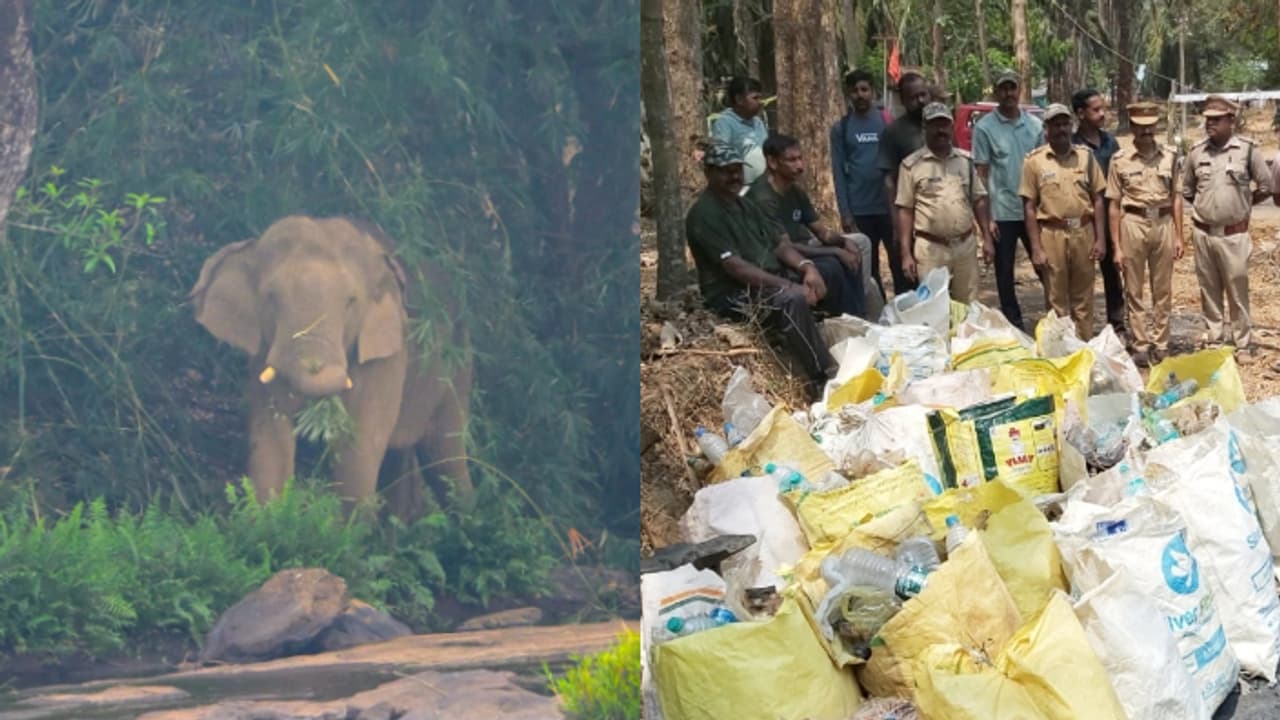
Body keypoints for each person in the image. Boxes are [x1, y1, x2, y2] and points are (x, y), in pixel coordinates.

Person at [685, 142, 863, 397]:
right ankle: (823, 375)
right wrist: (789, 285)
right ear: (709, 172)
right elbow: (736, 268)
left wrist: (807, 267)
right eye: (727, 171)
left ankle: (850, 342)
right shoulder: (705, 214)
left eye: (738, 170)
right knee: (791, 299)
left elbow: (780, 244)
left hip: (768, 275)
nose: (735, 176)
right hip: (733, 293)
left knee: (830, 270)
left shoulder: (745, 205)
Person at [1182, 94, 1273, 356]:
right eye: (1207, 119)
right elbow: (1188, 190)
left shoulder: (1247, 150)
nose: (1210, 124)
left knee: (1237, 290)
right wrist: (1208, 210)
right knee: (1208, 289)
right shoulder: (1197, 152)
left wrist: (1242, 205)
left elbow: (1265, 186)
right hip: (1203, 235)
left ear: (1231, 120)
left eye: (1216, 120)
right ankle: (1215, 340)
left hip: (1234, 235)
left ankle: (1243, 343)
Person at [748, 133, 868, 318]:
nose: (800, 166)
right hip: (776, 257)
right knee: (832, 265)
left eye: (800, 158)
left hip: (802, 245)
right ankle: (843, 316)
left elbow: (822, 232)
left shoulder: (794, 191)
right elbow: (784, 247)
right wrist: (835, 251)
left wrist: (842, 243)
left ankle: (859, 310)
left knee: (859, 244)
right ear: (772, 162)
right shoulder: (763, 197)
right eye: (792, 160)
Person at [1105, 102, 1184, 367]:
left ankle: (1160, 343)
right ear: (1132, 126)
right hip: (1133, 223)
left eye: (1151, 125)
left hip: (1163, 223)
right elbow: (1113, 204)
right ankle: (1140, 344)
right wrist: (1116, 246)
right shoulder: (1120, 160)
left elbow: (1176, 199)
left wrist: (1180, 236)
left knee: (1163, 289)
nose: (1147, 130)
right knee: (1134, 288)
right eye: (1141, 125)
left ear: (1157, 125)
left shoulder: (1170, 156)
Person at [1019, 103, 1106, 340]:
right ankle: (1060, 353)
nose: (1061, 129)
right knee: (1056, 301)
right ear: (1046, 129)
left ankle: (1084, 348)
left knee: (1083, 300)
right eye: (1055, 125)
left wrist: (1101, 239)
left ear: (1072, 126)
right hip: (1051, 235)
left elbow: (1098, 198)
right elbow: (1029, 207)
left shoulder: (1086, 158)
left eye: (1065, 124)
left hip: (1083, 233)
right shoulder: (1034, 162)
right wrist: (1036, 248)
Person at [894, 103, 995, 304]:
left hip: (965, 246)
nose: (940, 130)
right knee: (932, 308)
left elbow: (979, 200)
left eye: (944, 125)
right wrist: (905, 253)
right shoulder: (911, 166)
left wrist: (987, 238)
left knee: (968, 307)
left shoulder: (965, 162)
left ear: (951, 127)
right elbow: (905, 210)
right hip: (930, 249)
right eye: (934, 125)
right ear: (925, 128)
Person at [973, 69, 1045, 331]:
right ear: (996, 92)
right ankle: (1015, 325)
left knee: (1045, 267)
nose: (1008, 94)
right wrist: (986, 220)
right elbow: (981, 174)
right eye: (1003, 89)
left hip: (1033, 212)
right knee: (1004, 274)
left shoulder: (1036, 126)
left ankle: (1055, 320)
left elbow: (1042, 169)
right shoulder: (984, 128)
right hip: (1002, 213)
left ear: (1019, 89)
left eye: (1012, 88)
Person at [831, 69, 899, 299]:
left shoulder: (886, 121)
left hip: (889, 208)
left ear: (872, 91)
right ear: (848, 94)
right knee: (868, 271)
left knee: (899, 262)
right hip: (860, 210)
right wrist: (845, 213)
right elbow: (838, 172)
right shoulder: (841, 128)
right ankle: (878, 315)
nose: (860, 95)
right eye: (854, 90)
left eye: (864, 89)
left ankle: (903, 310)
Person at [1072, 88, 1127, 338]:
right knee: (1081, 276)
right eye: (1096, 110)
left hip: (1109, 216)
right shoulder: (1072, 146)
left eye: (1103, 109)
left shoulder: (1110, 143)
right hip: (1082, 219)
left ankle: (1117, 325)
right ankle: (1080, 330)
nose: (1102, 114)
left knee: (1113, 273)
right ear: (1080, 114)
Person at [876, 71, 932, 293]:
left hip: (937, 221)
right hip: (909, 217)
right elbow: (889, 182)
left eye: (923, 95)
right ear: (902, 100)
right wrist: (897, 226)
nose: (920, 101)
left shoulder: (939, 126)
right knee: (909, 283)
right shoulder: (893, 133)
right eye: (914, 97)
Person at [710, 77, 770, 184]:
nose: (760, 102)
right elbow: (721, 157)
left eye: (760, 98)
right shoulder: (725, 123)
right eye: (755, 98)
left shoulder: (758, 122)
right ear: (739, 100)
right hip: (741, 188)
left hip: (764, 186)